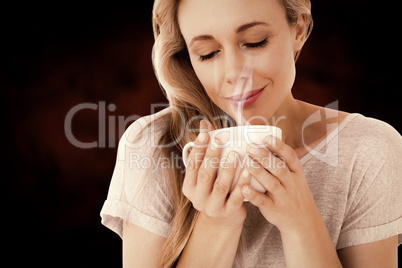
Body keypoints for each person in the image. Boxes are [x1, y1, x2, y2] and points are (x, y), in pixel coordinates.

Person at [100, 0, 402, 267]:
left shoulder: (369, 150)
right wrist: (217, 225)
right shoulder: (151, 144)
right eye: (208, 53)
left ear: (298, 29)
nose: (235, 74)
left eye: (255, 42)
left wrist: (300, 223)